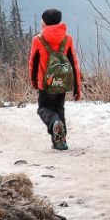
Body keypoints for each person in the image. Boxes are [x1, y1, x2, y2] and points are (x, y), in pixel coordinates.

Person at [29, 8, 82, 150]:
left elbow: (33, 64)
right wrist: (77, 88)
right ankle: (60, 141)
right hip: (63, 82)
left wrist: (34, 81)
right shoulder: (67, 39)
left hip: (46, 84)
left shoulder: (38, 40)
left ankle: (54, 123)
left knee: (43, 109)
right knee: (59, 109)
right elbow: (73, 64)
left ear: (45, 22)